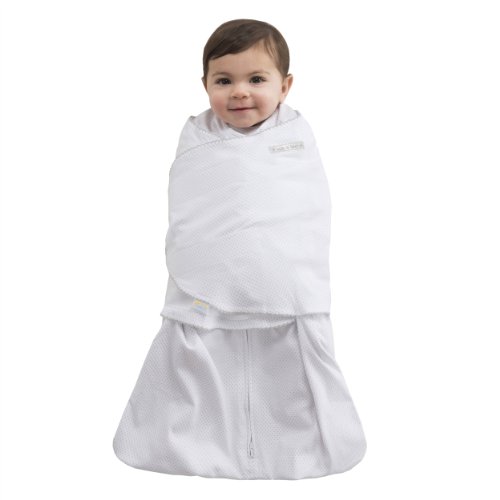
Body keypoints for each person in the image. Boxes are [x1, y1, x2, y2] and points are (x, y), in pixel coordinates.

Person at [113, 18, 367, 480]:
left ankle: (294, 452)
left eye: (256, 79)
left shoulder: (295, 139)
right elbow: (193, 207)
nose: (240, 92)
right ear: (205, 84)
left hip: (285, 286)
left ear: (285, 86)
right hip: (204, 288)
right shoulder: (198, 138)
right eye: (224, 81)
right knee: (196, 364)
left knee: (289, 375)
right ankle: (185, 447)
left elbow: (304, 208)